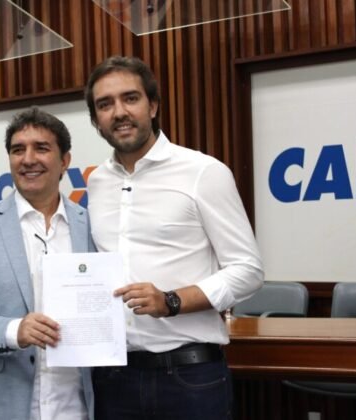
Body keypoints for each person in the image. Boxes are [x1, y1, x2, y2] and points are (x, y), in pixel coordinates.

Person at [84, 56, 264, 420]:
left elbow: (248, 271)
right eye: (105, 104)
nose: (119, 112)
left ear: (152, 106)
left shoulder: (203, 172)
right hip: (113, 378)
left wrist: (171, 301)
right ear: (95, 120)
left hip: (190, 378)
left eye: (130, 98)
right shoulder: (96, 182)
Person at [0, 107, 95, 420]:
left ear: (65, 160)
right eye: (17, 150)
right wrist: (14, 330)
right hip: (4, 405)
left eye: (41, 148)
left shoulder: (92, 226)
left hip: (77, 405)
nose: (28, 159)